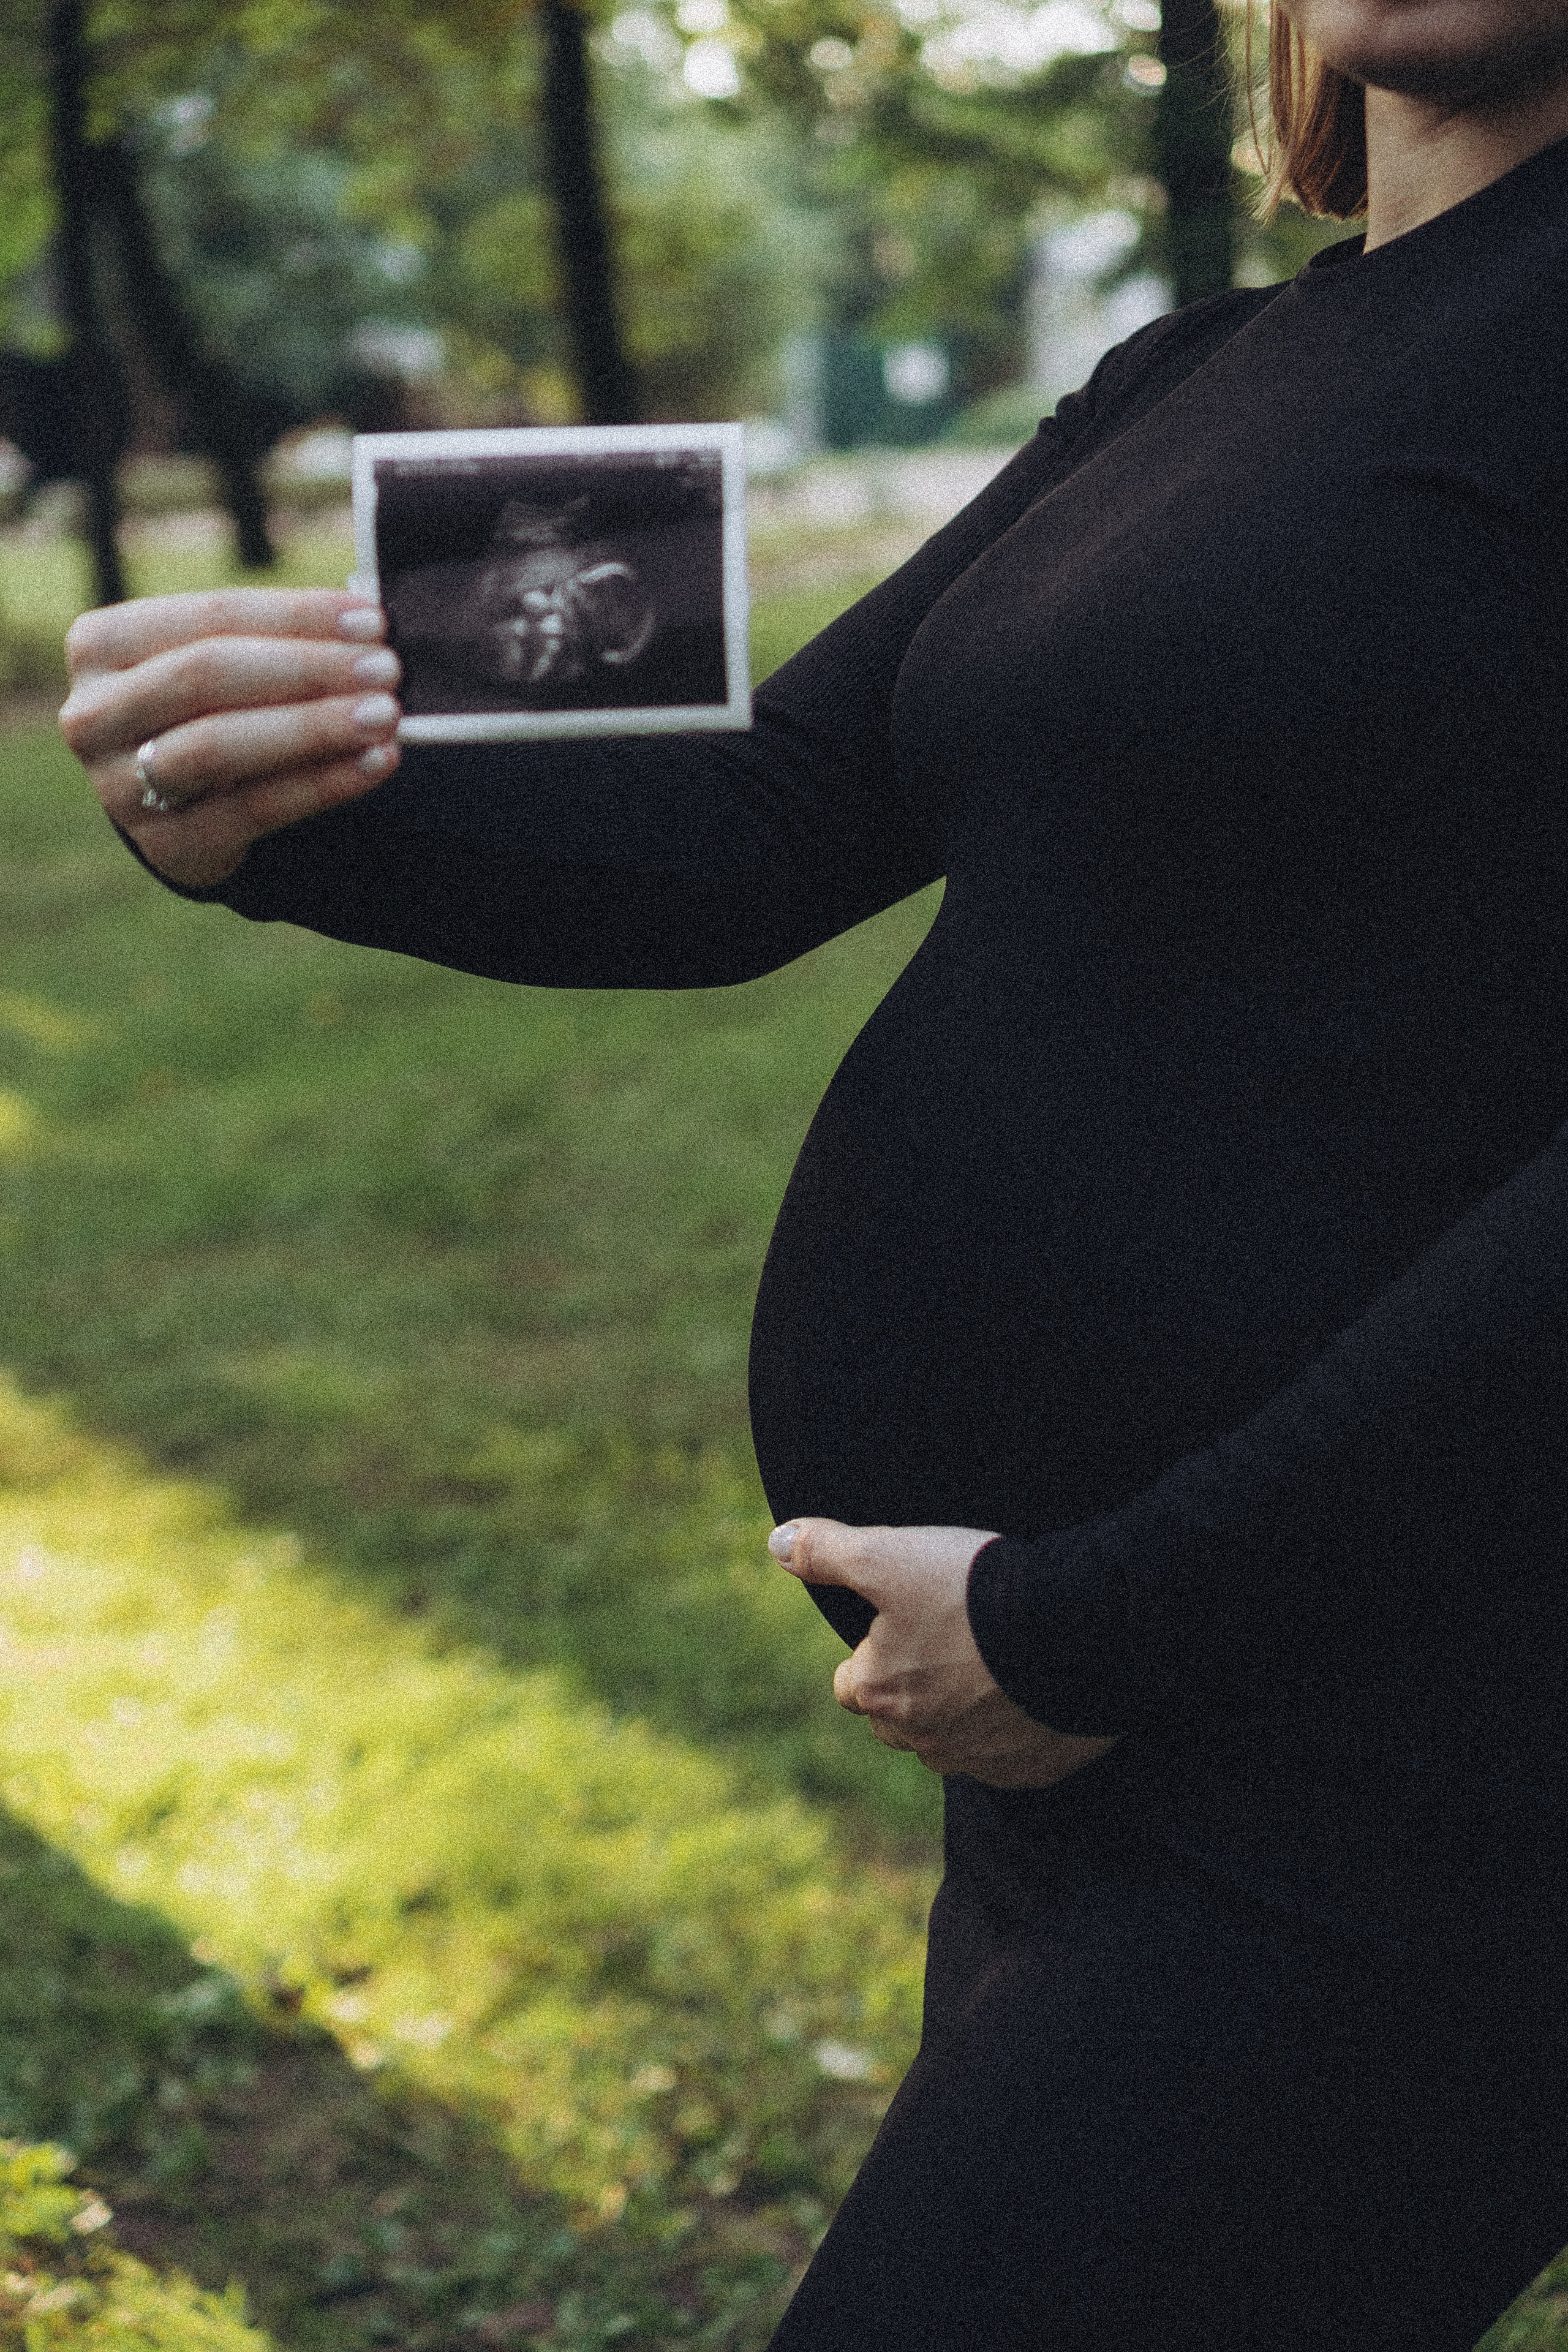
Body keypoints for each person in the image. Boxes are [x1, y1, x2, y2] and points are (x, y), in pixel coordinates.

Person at [57, 2, 1568, 2341]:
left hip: (1402, 1755)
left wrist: (1108, 1621)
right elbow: (762, 822)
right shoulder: (1200, 375)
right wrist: (269, 813)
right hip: (1094, 1740)